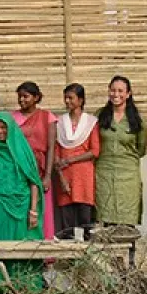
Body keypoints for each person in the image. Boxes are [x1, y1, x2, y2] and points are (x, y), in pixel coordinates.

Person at [0, 114, 46, 290]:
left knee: (23, 246)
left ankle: (26, 287)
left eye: (3, 127)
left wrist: (33, 210)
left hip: (22, 207)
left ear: (11, 129)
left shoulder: (22, 150)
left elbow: (33, 181)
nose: (0, 131)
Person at [94, 75, 147, 232]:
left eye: (120, 91)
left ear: (128, 94)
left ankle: (128, 247)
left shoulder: (137, 120)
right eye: (112, 90)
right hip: (103, 173)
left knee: (127, 220)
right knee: (105, 216)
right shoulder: (99, 116)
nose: (115, 94)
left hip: (128, 174)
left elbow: (141, 149)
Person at [12, 82, 57, 243]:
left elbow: (51, 147)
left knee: (43, 209)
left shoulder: (47, 117)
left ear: (36, 97)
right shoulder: (12, 118)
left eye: (26, 96)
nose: (21, 100)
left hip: (40, 168)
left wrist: (48, 176)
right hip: (19, 170)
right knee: (23, 208)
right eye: (19, 97)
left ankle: (44, 249)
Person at [53, 84, 99, 239]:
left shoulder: (91, 123)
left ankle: (86, 251)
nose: (67, 101)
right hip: (65, 177)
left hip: (84, 177)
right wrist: (61, 177)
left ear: (80, 100)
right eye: (65, 98)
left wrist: (70, 160)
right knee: (67, 221)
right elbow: (56, 153)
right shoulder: (59, 123)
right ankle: (68, 253)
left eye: (71, 98)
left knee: (85, 218)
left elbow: (95, 151)